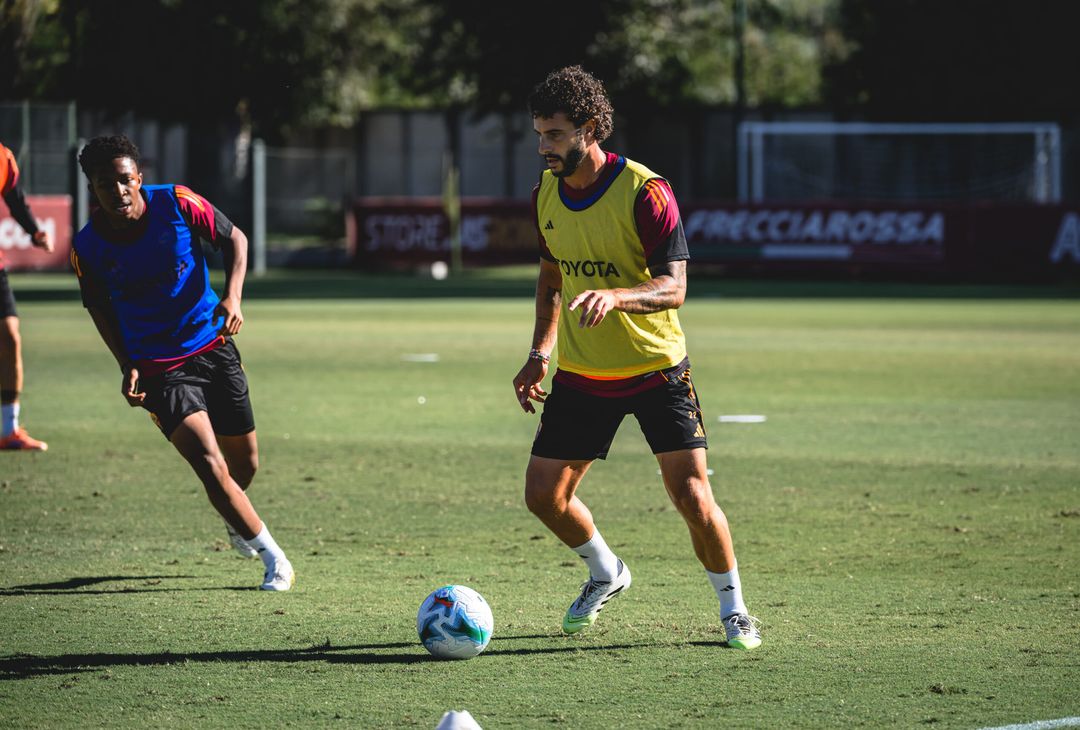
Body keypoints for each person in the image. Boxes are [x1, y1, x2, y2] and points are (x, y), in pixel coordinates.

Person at [512, 66, 760, 649]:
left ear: (589, 128)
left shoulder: (646, 191)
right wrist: (538, 352)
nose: (542, 146)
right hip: (582, 373)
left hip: (657, 371)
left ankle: (735, 611)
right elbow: (551, 278)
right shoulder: (544, 194)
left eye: (552, 134)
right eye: (538, 133)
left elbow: (674, 287)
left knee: (692, 497)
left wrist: (619, 296)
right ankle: (606, 572)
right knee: (543, 497)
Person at [72, 135, 293, 591]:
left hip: (212, 346)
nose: (118, 191)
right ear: (91, 190)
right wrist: (126, 363)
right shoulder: (88, 247)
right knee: (209, 463)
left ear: (139, 177)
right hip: (159, 368)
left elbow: (236, 239)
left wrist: (233, 295)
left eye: (124, 179)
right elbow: (99, 309)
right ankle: (276, 559)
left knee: (244, 466)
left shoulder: (177, 202)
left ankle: (237, 519)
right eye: (104, 184)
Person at [0, 141, 53, 451]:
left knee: (10, 336)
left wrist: (34, 231)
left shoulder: (4, 157)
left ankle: (9, 429)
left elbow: (14, 199)